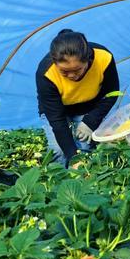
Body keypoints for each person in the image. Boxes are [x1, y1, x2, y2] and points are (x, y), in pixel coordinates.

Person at [36, 29, 119, 168]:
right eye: (64, 71)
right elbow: (57, 121)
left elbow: (111, 93)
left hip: (89, 106)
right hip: (58, 110)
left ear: (88, 59)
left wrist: (90, 121)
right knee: (59, 150)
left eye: (78, 69)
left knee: (85, 145)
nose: (72, 75)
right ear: (55, 62)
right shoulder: (46, 73)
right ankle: (61, 181)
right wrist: (74, 157)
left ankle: (88, 181)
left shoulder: (103, 57)